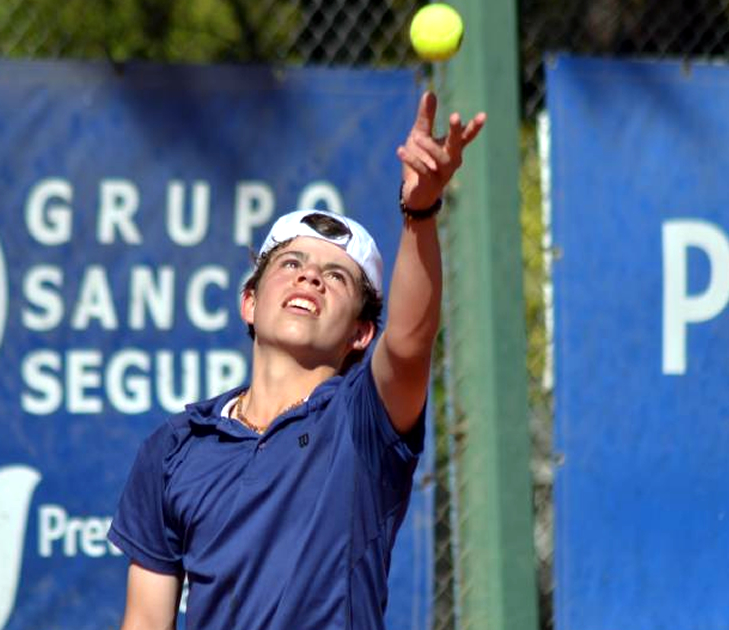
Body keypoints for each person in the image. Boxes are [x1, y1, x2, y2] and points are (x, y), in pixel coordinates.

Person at [108, 91, 486, 629]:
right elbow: (145, 620)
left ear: (360, 333)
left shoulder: (363, 422)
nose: (309, 276)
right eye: (291, 263)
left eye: (336, 276)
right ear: (250, 301)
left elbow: (408, 344)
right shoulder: (174, 448)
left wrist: (419, 212)